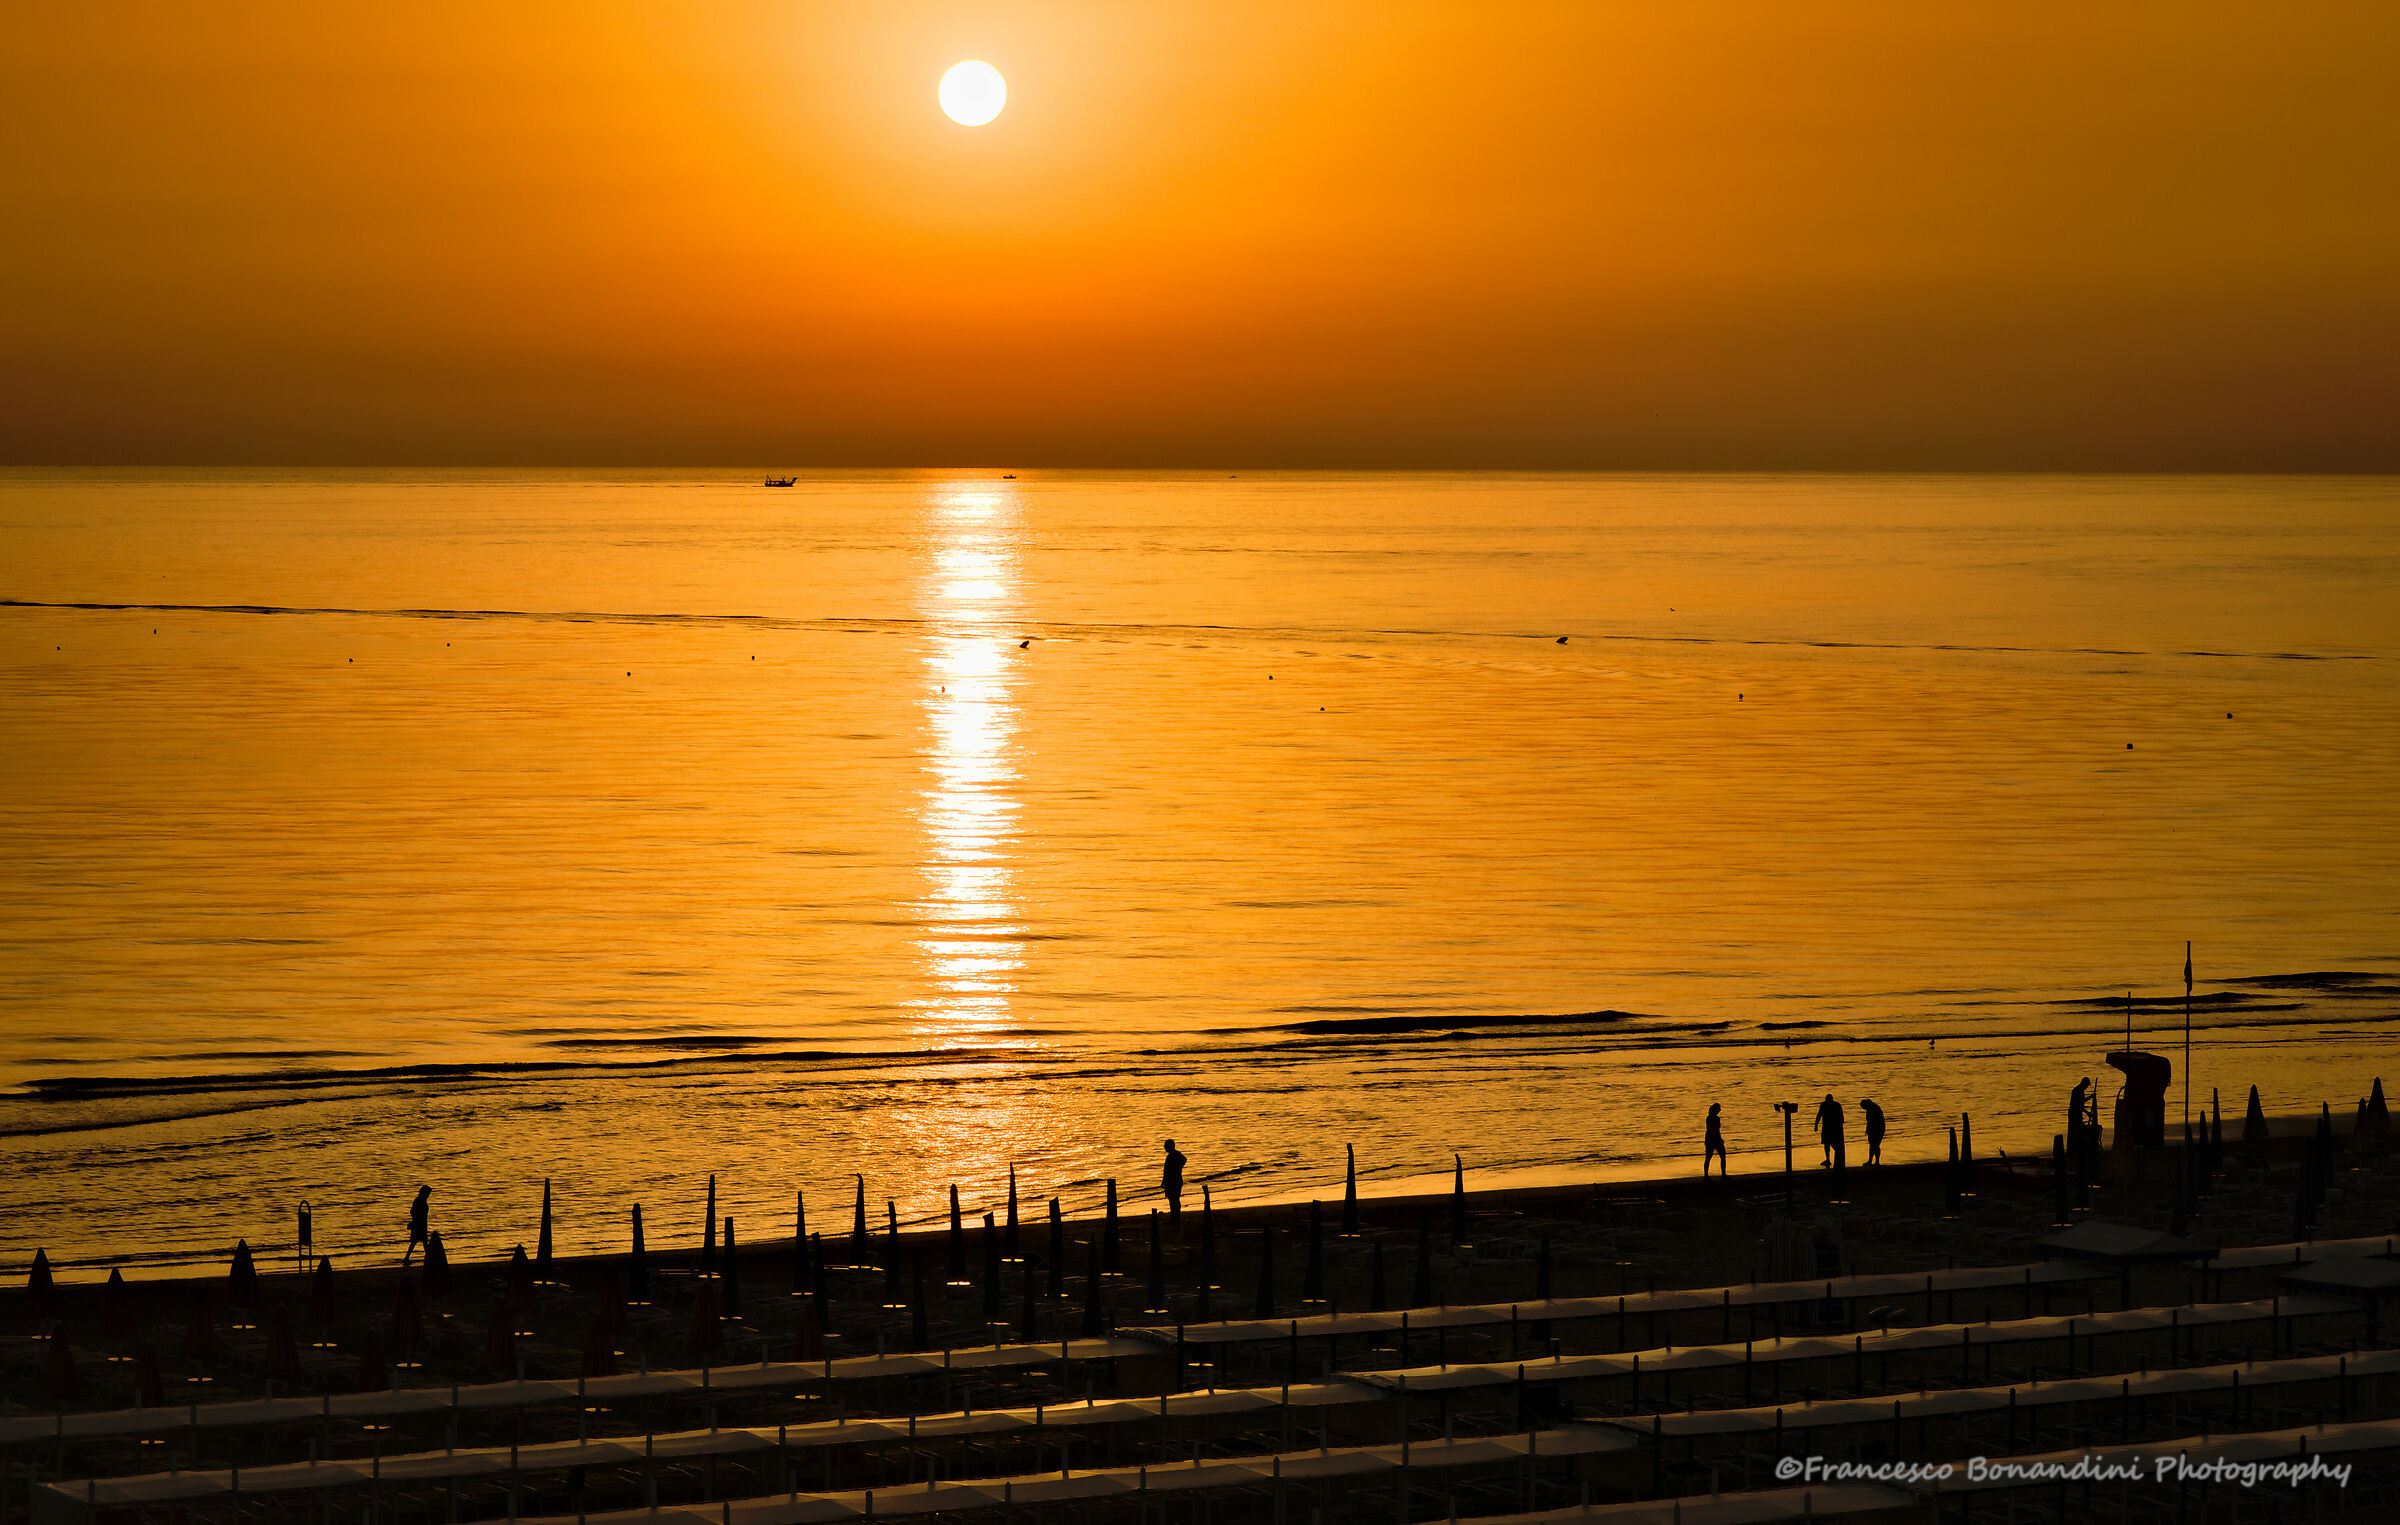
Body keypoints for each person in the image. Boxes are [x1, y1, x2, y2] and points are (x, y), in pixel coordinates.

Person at [1812, 1093, 1846, 1169]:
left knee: (1829, 1142)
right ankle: (1829, 1158)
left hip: (1831, 1127)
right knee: (1827, 1143)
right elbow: (1819, 1115)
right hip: (1830, 1127)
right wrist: (1816, 1125)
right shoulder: (1833, 1105)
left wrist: (1816, 1125)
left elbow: (1819, 1115)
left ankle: (1833, 1157)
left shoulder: (1827, 1105)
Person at [403, 1185, 432, 1266]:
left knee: (421, 1242)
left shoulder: (420, 1200)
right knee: (418, 1241)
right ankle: (407, 1257)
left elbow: (412, 1212)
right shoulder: (419, 1200)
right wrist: (414, 1221)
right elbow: (413, 1212)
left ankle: (428, 1257)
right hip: (419, 1224)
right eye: (428, 1193)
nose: (428, 1195)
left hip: (421, 1224)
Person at [1161, 1140, 1187, 1220]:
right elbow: (1184, 1160)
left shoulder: (1173, 1155)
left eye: (1166, 1146)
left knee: (1173, 1199)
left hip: (1173, 1181)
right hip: (1176, 1180)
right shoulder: (1174, 1155)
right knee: (1174, 1199)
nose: (1164, 1147)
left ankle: (1175, 1217)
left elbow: (1167, 1171)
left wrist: (1177, 1168)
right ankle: (1175, 1216)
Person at [1702, 1103, 1729, 1176]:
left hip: (1709, 1139)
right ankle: (1723, 1174)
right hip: (1714, 1139)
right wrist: (1720, 1139)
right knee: (1722, 1156)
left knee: (1708, 1157)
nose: (1719, 1110)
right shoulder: (1716, 1119)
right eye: (1718, 1109)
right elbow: (1716, 1131)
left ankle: (1706, 1175)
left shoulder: (1708, 1118)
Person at [1859, 1098, 1886, 1165]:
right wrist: (1868, 1129)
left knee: (1875, 1145)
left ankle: (1875, 1161)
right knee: (1873, 1145)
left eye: (1863, 1107)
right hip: (1876, 1129)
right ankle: (1871, 1161)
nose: (1864, 1109)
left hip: (1877, 1129)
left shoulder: (1872, 1108)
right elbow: (1869, 1121)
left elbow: (1872, 1121)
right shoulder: (1871, 1107)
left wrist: (1868, 1129)